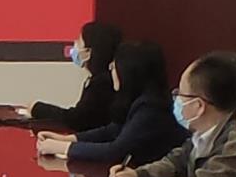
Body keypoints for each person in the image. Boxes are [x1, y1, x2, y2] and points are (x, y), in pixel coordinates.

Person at [109, 50, 236, 177]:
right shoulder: (200, 134)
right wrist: (138, 176)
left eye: (180, 94)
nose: (176, 100)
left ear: (198, 106)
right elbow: (175, 162)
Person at [36, 41, 184, 167]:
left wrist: (63, 148)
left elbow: (114, 152)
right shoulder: (140, 99)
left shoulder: (152, 107)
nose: (111, 68)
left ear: (128, 70)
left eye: (115, 64)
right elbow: (113, 130)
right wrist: (66, 139)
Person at [28, 21, 122, 131]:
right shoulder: (97, 80)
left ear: (88, 52)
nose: (75, 45)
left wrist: (38, 108)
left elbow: (78, 119)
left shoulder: (102, 83)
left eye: (79, 41)